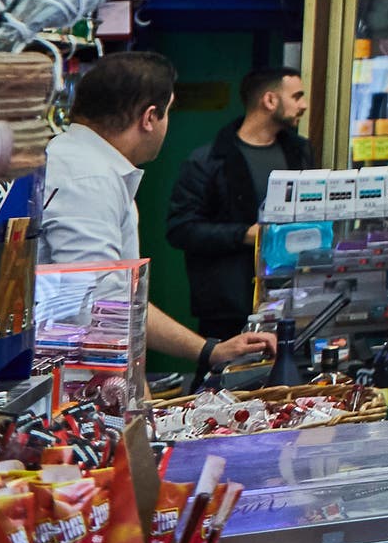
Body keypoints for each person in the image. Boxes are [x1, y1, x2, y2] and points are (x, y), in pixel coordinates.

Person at [42, 53, 277, 376]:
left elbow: (121, 298)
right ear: (149, 117)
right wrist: (138, 408)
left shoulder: (90, 166)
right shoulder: (88, 178)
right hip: (69, 385)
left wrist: (209, 350)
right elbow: (102, 310)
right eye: (169, 112)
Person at [163, 67, 314, 342]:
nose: (303, 105)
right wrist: (245, 235)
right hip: (228, 306)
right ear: (269, 100)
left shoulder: (301, 153)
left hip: (294, 298)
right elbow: (181, 229)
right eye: (297, 96)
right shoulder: (208, 161)